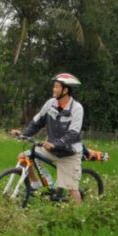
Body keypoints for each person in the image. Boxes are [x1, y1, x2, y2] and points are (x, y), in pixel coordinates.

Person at [12, 73, 85, 204]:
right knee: (24, 157)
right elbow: (37, 122)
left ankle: (79, 218)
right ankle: (36, 184)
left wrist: (55, 144)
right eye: (54, 86)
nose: (54, 89)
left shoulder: (77, 108)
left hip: (69, 154)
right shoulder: (51, 104)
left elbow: (73, 133)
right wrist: (24, 134)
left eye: (56, 87)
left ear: (65, 90)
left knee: (71, 189)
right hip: (50, 149)